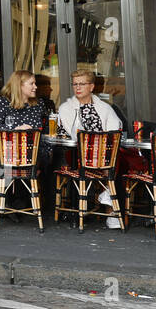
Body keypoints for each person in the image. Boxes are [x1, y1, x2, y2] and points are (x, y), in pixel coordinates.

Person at [56, 69, 122, 228]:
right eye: (75, 84)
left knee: (113, 155)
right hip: (76, 155)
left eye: (82, 84)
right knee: (109, 161)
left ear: (91, 87)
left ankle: (108, 199)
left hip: (103, 156)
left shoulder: (104, 108)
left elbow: (115, 131)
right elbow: (63, 135)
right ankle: (110, 203)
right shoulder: (66, 108)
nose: (77, 87)